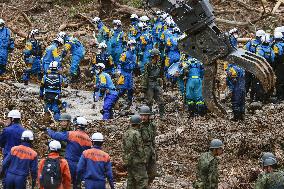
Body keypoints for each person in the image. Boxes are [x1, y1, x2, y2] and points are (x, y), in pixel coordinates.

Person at [47, 116, 92, 187]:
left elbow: (56, 136)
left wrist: (48, 130)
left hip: (69, 163)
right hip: (81, 165)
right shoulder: (89, 140)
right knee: (77, 184)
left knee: (65, 183)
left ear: (77, 126)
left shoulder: (71, 134)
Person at [122, 115, 148, 189]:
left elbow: (123, 147)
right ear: (139, 124)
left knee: (131, 180)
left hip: (128, 160)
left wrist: (125, 159)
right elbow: (140, 148)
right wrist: (144, 159)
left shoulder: (126, 133)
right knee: (142, 180)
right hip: (137, 161)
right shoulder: (136, 133)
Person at [142, 48, 165, 118]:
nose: (158, 57)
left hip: (157, 82)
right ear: (154, 56)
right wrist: (144, 86)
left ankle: (162, 115)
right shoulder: (148, 65)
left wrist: (163, 82)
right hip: (150, 83)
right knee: (149, 101)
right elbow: (145, 75)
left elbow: (161, 74)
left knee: (161, 100)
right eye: (157, 56)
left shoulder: (159, 64)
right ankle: (148, 115)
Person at [139, 105, 157, 185]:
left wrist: (155, 152)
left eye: (145, 115)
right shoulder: (138, 126)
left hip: (151, 151)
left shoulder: (152, 125)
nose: (143, 117)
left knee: (153, 173)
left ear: (149, 116)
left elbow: (153, 139)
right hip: (142, 151)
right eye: (142, 115)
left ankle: (147, 185)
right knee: (142, 174)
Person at [117, 39, 137, 106]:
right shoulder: (124, 54)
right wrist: (119, 70)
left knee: (130, 89)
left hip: (130, 73)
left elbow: (134, 65)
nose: (133, 47)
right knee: (123, 89)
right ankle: (114, 100)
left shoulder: (134, 56)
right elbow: (120, 63)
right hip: (124, 72)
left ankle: (129, 102)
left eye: (134, 45)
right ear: (128, 46)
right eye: (131, 45)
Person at [272, 32, 284, 100]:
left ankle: (280, 96)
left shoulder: (276, 46)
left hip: (279, 65)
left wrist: (273, 67)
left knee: (279, 81)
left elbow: (275, 57)